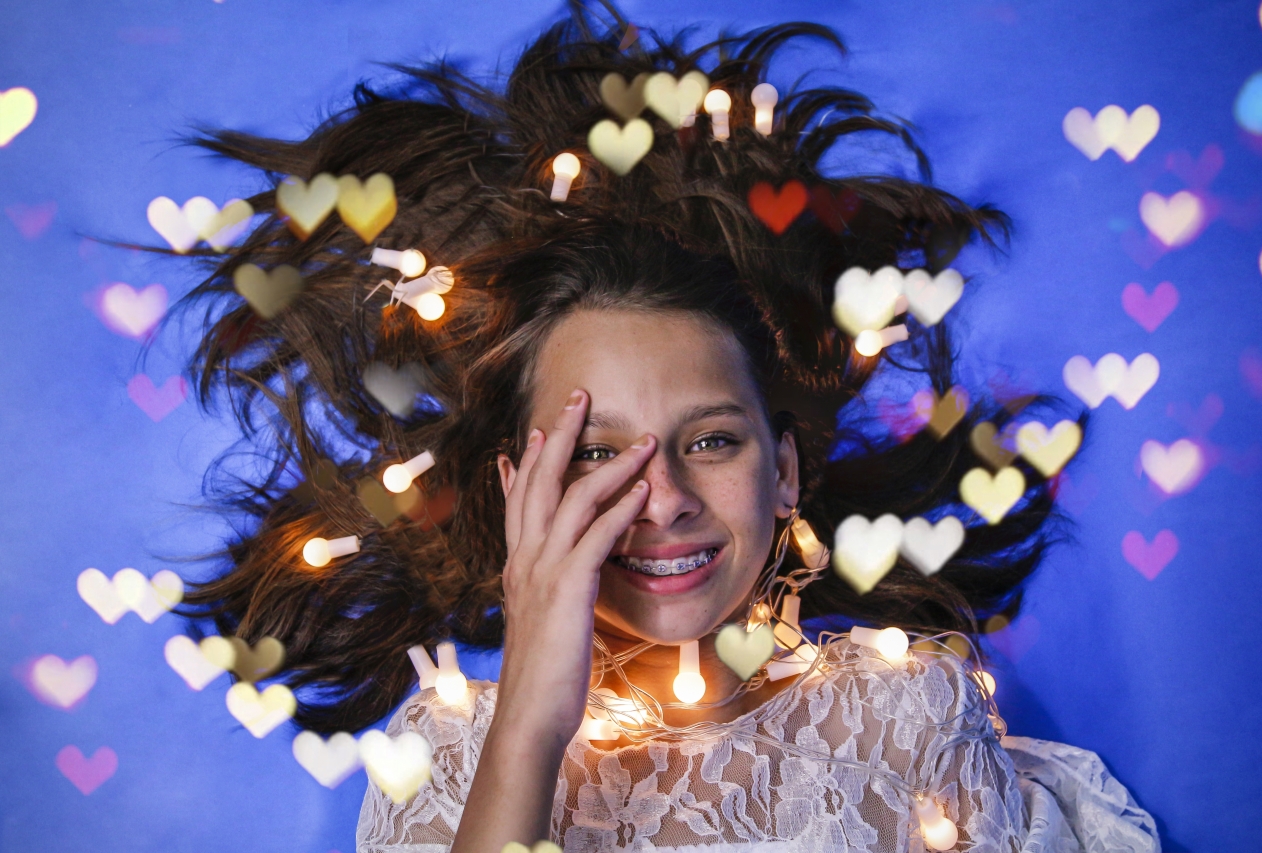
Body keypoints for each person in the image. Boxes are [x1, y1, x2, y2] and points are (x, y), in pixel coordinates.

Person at [176, 5, 1162, 851]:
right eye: (598, 452)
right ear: (521, 493)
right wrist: (530, 722)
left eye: (711, 440)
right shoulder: (445, 753)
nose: (664, 501)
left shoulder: (908, 714)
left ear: (783, 470)